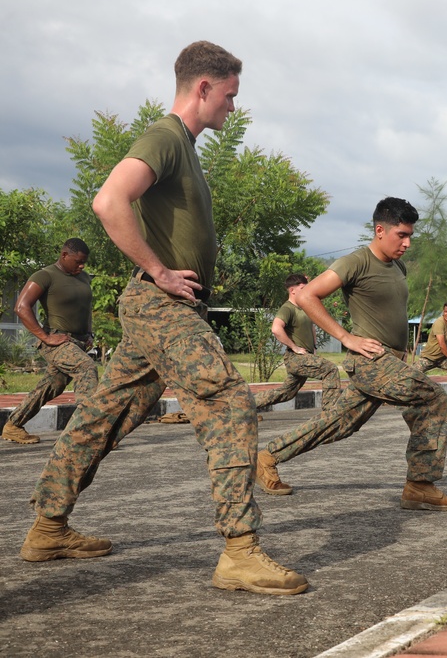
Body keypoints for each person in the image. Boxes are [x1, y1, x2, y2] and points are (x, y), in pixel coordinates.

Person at [20, 42, 307, 595]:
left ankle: (48, 527)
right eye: (230, 95)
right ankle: (240, 552)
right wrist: (159, 271)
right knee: (228, 402)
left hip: (163, 309)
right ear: (204, 87)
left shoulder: (186, 147)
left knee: (102, 417)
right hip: (162, 305)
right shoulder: (166, 136)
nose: (233, 106)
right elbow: (110, 202)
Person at [255, 197, 447, 510]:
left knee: (339, 424)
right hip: (369, 360)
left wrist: (400, 352)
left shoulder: (398, 266)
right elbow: (309, 296)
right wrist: (345, 337)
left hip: (389, 360)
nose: (407, 243)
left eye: (410, 236)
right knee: (433, 398)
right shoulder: (356, 262)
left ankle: (266, 457)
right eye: (401, 235)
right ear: (380, 230)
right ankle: (420, 484)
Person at [3, 239, 98, 445]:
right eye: (78, 261)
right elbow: (21, 307)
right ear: (64, 255)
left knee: (52, 385)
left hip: (78, 341)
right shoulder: (45, 275)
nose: (82, 266)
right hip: (57, 340)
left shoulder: (83, 277)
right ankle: (86, 432)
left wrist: (89, 333)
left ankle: (13, 425)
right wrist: (45, 337)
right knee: (86, 368)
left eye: (84, 262)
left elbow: (86, 307)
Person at [252, 273, 342, 421]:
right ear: (292, 290)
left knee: (287, 392)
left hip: (305, 355)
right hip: (295, 358)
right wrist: (294, 347)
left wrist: (314, 348)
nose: (306, 290)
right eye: (303, 288)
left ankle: (245, 408)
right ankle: (330, 415)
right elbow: (276, 328)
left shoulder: (304, 307)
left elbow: (312, 327)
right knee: (330, 369)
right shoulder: (287, 308)